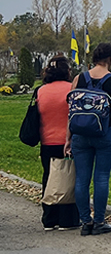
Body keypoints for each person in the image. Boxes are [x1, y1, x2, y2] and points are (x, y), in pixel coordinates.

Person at [67, 43, 111, 236]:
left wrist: (68, 138)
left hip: (80, 135)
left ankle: (85, 221)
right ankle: (99, 220)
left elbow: (71, 110)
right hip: (106, 133)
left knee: (81, 179)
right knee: (101, 177)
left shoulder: (79, 78)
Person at [34, 55, 80, 231]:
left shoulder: (40, 91)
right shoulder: (72, 89)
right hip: (69, 140)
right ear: (67, 71)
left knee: (49, 177)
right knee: (70, 177)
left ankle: (49, 218)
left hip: (47, 140)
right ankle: (68, 218)